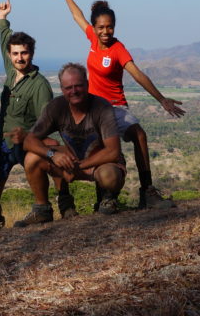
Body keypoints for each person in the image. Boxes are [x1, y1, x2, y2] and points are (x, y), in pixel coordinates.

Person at [52, 0, 184, 209]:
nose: (105, 31)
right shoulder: (93, 39)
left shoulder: (118, 49)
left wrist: (161, 99)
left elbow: (137, 74)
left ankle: (147, 192)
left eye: (110, 26)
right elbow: (78, 16)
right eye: (101, 27)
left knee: (139, 135)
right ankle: (105, 200)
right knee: (101, 148)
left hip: (116, 107)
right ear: (94, 28)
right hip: (94, 108)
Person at [16, 63, 125, 226]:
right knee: (32, 158)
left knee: (110, 177)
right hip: (72, 159)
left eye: (78, 86)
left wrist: (80, 166)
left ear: (87, 84)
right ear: (62, 89)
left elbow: (113, 151)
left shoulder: (102, 107)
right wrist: (52, 154)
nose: (74, 91)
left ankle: (108, 200)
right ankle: (43, 209)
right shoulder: (56, 107)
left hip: (99, 162)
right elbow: (29, 140)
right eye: (68, 88)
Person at [0, 0, 55, 232]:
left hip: (25, 142)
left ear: (31, 53)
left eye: (24, 53)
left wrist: (31, 139)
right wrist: (2, 19)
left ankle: (44, 210)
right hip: (0, 141)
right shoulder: (11, 71)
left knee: (39, 169)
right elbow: (5, 40)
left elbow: (47, 121)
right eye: (15, 54)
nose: (19, 58)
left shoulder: (40, 85)